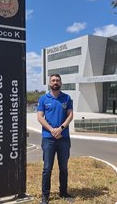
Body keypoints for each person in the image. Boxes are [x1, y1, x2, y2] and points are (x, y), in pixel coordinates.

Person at [37, 74, 74, 204]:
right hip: (48, 138)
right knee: (47, 168)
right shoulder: (43, 99)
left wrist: (61, 128)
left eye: (57, 80)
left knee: (63, 167)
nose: (55, 82)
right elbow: (40, 117)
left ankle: (63, 193)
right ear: (49, 83)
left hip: (63, 138)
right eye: (53, 80)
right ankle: (45, 196)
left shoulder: (67, 98)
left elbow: (70, 115)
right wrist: (52, 130)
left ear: (61, 82)